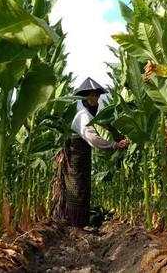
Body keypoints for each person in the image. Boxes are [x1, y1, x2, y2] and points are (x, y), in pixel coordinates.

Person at [51, 77, 129, 227]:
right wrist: (114, 145)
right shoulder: (83, 115)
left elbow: (106, 124)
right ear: (84, 97)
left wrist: (121, 136)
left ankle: (79, 223)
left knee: (84, 186)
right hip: (74, 156)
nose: (95, 98)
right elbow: (93, 138)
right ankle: (75, 225)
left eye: (97, 95)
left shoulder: (90, 113)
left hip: (82, 155)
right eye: (91, 95)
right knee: (76, 188)